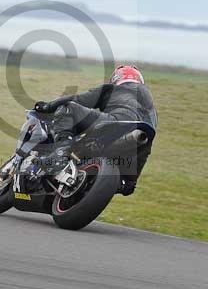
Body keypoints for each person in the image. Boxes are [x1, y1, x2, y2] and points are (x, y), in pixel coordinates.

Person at [33, 65, 158, 195]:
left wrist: (47, 106)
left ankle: (60, 152)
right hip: (134, 141)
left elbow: (78, 100)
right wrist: (131, 181)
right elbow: (146, 149)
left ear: (117, 78)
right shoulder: (152, 112)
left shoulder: (112, 89)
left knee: (68, 108)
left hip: (114, 123)